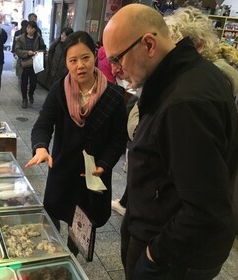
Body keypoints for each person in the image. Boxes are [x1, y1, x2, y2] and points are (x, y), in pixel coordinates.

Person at [103, 4, 238, 280]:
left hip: (173, 259)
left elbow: (205, 208)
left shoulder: (184, 104)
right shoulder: (188, 76)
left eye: (118, 59)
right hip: (171, 244)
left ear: (149, 44)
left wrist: (154, 254)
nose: (114, 71)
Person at [25, 31, 128, 253]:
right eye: (73, 60)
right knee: (53, 221)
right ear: (66, 63)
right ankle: (51, 256)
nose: (80, 65)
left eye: (85, 58)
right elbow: (43, 124)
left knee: (81, 228)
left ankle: (71, 260)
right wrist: (41, 147)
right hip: (62, 168)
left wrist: (105, 163)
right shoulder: (59, 90)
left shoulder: (114, 95)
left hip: (93, 175)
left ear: (94, 56)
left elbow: (119, 138)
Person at [15, 21, 46, 108]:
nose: (29, 29)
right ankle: (24, 99)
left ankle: (31, 93)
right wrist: (27, 53)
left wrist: (38, 52)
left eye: (31, 28)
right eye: (28, 27)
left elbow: (44, 49)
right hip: (23, 64)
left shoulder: (39, 38)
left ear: (34, 29)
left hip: (34, 64)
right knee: (23, 83)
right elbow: (17, 50)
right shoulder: (21, 38)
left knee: (33, 83)